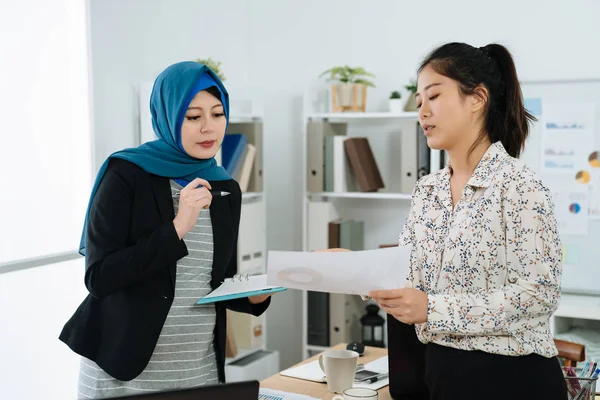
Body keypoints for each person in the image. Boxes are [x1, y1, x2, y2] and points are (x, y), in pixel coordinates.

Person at [366, 43, 568, 399]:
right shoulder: (427, 191)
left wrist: (432, 308)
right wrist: (351, 269)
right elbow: (407, 279)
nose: (422, 112)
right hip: (439, 378)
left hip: (513, 381)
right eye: (418, 103)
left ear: (477, 99)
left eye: (433, 97)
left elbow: (539, 294)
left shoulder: (519, 185)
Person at [59, 61, 272, 399]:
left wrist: (257, 297)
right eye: (193, 117)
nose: (209, 128)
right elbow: (100, 277)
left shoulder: (226, 187)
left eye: (217, 114)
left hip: (198, 372)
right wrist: (177, 227)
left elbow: (215, 280)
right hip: (123, 375)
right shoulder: (126, 174)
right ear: (168, 116)